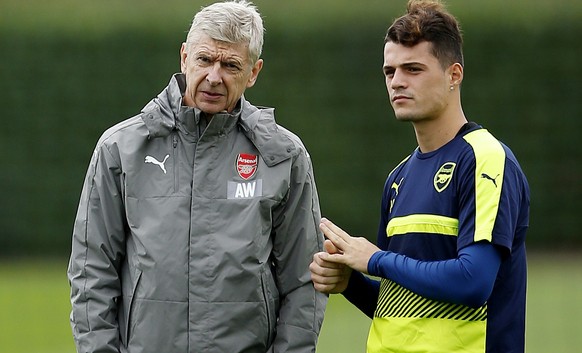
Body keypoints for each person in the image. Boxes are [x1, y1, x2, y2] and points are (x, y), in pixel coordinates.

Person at [67, 1, 327, 352]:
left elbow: (305, 280)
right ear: (184, 57)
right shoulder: (121, 147)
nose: (214, 77)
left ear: (253, 72)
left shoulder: (284, 156)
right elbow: (91, 272)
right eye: (205, 60)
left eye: (231, 65)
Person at [309, 1, 530, 352]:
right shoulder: (398, 178)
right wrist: (350, 283)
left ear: (453, 75)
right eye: (389, 71)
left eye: (413, 69)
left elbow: (473, 282)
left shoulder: (484, 158)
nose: (397, 82)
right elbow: (399, 304)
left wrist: (375, 259)